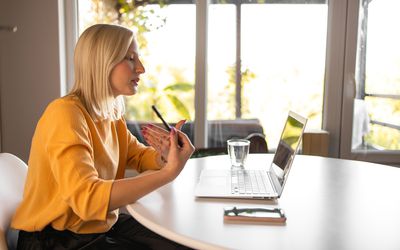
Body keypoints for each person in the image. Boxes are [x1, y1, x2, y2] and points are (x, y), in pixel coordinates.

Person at [11, 24, 195, 249]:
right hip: (55, 240)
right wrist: (167, 173)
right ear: (102, 62)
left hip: (97, 227)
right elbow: (87, 200)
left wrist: (165, 156)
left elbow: (136, 155)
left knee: (181, 242)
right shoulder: (65, 114)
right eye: (130, 58)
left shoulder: (110, 113)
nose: (141, 68)